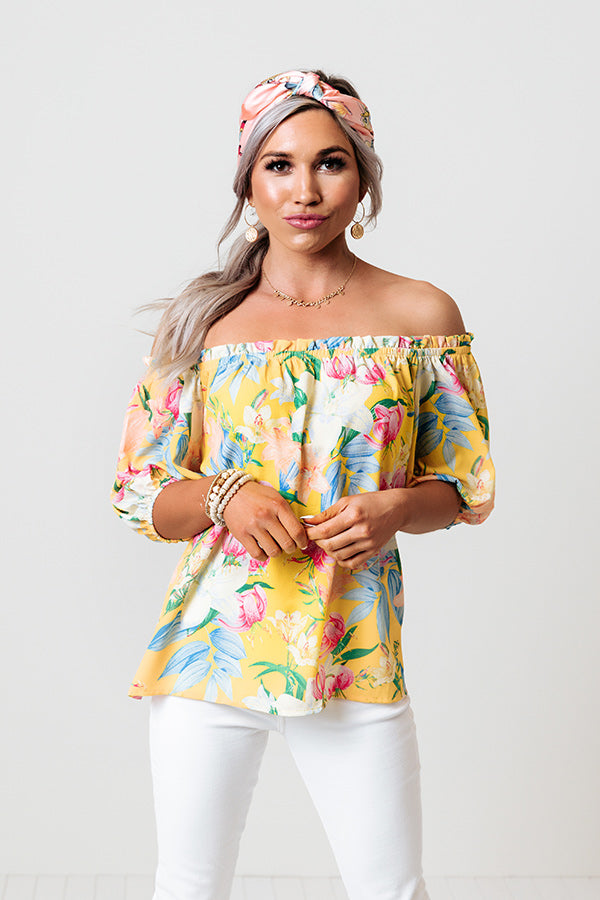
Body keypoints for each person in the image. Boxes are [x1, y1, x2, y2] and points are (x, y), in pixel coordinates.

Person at [111, 69, 495, 900]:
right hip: (211, 647)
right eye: (279, 165)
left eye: (330, 162)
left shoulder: (422, 316)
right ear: (248, 182)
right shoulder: (202, 324)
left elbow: (463, 486)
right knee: (188, 886)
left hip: (354, 643)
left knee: (390, 888)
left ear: (364, 177)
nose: (305, 190)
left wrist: (399, 506)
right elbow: (142, 493)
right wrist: (225, 495)